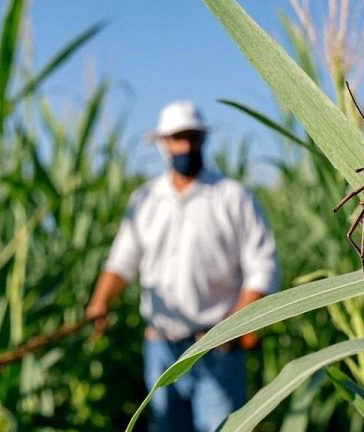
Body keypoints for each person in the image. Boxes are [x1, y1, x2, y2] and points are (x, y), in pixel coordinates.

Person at [85, 100, 278, 431]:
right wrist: (101, 301)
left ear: (202, 140)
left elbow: (263, 265)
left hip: (216, 347)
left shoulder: (232, 196)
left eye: (192, 137)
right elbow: (122, 260)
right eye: (177, 138)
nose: (185, 145)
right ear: (162, 144)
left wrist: (238, 327)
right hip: (160, 346)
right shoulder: (145, 199)